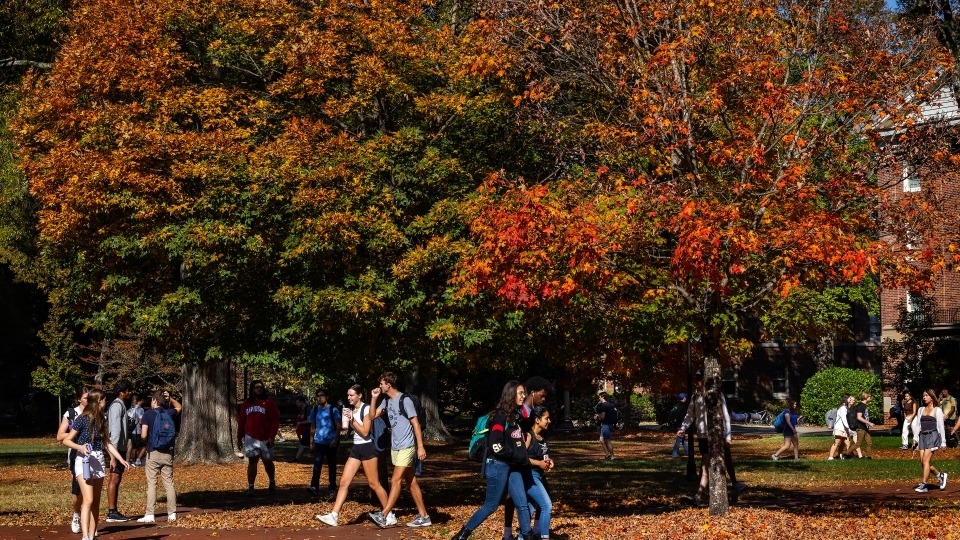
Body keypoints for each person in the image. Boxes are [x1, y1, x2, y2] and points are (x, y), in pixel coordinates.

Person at [450, 381, 535, 540]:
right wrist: (516, 455)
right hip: (498, 466)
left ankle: (528, 535)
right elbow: (496, 445)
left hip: (513, 467)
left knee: (522, 504)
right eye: (520, 393)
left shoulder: (515, 417)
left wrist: (521, 456)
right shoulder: (500, 416)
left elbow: (516, 442)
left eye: (524, 393)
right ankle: (462, 535)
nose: (524, 396)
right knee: (491, 505)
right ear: (511, 394)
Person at [316, 385, 389, 526]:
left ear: (359, 395)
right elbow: (352, 429)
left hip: (368, 447)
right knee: (344, 482)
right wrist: (348, 422)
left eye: (352, 395)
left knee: (374, 484)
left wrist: (352, 420)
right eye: (348, 395)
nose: (349, 397)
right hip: (356, 448)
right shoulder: (351, 410)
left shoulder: (366, 409)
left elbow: (366, 432)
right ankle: (334, 516)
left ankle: (389, 513)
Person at [62, 389, 130, 540]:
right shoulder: (82, 419)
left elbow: (107, 443)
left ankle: (92, 535)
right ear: (99, 401)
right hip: (83, 460)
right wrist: (80, 447)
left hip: (98, 460)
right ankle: (85, 536)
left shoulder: (102, 419)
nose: (106, 403)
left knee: (96, 502)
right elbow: (66, 440)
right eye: (104, 400)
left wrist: (120, 459)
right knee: (88, 499)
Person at [367, 372, 431, 528]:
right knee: (411, 482)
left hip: (407, 446)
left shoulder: (405, 400)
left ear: (389, 384)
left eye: (382, 383)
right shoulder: (387, 402)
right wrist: (374, 398)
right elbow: (371, 416)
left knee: (395, 480)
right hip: (395, 447)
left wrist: (420, 447)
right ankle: (424, 517)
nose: (380, 386)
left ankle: (384, 515)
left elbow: (416, 424)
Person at [676, 371, 738, 506]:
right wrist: (683, 428)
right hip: (702, 435)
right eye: (696, 378)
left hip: (715, 435)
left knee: (706, 464)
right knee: (707, 464)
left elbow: (726, 417)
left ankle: (699, 495)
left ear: (705, 379)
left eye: (699, 378)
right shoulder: (695, 396)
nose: (696, 381)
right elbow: (690, 415)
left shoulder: (716, 395)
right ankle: (708, 492)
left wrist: (728, 437)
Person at [503, 376, 554, 540]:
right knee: (516, 500)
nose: (543, 399)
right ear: (534, 392)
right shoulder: (522, 411)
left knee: (535, 502)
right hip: (520, 465)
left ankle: (531, 532)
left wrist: (545, 459)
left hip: (532, 467)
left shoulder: (532, 413)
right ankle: (509, 533)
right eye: (542, 395)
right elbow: (520, 443)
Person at [136, 390, 180, 523]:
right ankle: (172, 513)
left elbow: (143, 435)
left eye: (151, 400)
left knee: (152, 483)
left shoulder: (148, 414)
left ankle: (150, 514)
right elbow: (179, 407)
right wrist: (170, 399)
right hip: (168, 452)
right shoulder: (169, 413)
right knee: (169, 483)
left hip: (153, 451)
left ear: (154, 400)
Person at [237, 379, 280, 496]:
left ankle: (271, 481)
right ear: (252, 389)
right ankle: (251, 487)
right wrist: (239, 437)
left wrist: (272, 437)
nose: (259, 389)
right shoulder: (246, 403)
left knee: (267, 461)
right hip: (251, 437)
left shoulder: (269, 402)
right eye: (256, 387)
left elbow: (275, 421)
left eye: (260, 387)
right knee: (252, 461)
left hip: (266, 437)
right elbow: (241, 421)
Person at [57, 386, 90, 534]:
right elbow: (59, 436)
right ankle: (76, 515)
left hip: (92, 456)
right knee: (78, 492)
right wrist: (76, 430)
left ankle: (88, 518)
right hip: (75, 456)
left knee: (90, 489)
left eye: (90, 398)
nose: (88, 400)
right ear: (79, 399)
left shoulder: (96, 413)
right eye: (85, 398)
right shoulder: (71, 413)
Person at [524, 406, 554, 540]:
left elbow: (545, 455)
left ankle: (521, 536)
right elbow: (521, 458)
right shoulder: (528, 435)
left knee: (531, 507)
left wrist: (549, 461)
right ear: (537, 420)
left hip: (540, 476)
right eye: (546, 418)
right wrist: (539, 463)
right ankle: (544, 537)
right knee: (547, 505)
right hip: (530, 476)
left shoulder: (542, 437)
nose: (549, 421)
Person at [106, 380, 134, 523]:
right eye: (128, 390)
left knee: (117, 479)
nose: (130, 393)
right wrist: (113, 456)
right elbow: (115, 431)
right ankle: (112, 512)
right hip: (115, 449)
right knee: (114, 478)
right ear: (121, 392)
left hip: (119, 448)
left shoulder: (120, 405)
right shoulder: (117, 406)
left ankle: (113, 510)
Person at [307, 389, 341, 498]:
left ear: (327, 397)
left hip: (330, 443)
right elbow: (313, 426)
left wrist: (335, 439)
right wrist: (311, 442)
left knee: (332, 466)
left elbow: (338, 426)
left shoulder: (333, 409)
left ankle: (332, 488)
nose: (319, 397)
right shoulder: (315, 410)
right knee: (317, 465)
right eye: (318, 396)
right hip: (319, 442)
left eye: (322, 395)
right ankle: (314, 487)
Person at [913, 389, 948, 493]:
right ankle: (940, 475)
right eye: (923, 396)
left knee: (926, 461)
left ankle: (924, 485)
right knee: (923, 463)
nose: (924, 397)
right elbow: (918, 425)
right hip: (922, 437)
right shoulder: (920, 410)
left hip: (932, 436)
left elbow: (941, 427)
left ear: (932, 397)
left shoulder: (937, 410)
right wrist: (915, 438)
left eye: (926, 395)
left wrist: (943, 442)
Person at [847, 392, 875, 459]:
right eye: (869, 396)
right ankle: (845, 453)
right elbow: (859, 417)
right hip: (861, 428)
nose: (870, 398)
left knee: (869, 443)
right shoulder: (860, 406)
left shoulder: (864, 405)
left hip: (865, 428)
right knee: (858, 444)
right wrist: (869, 423)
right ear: (866, 397)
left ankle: (869, 457)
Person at [594, 392, 617, 460]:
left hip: (606, 424)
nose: (599, 398)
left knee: (607, 440)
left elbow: (603, 416)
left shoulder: (604, 405)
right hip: (610, 424)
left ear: (603, 397)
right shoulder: (611, 405)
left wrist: (597, 416)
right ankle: (607, 454)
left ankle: (612, 456)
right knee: (601, 440)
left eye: (599, 397)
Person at [126, 395, 147, 466]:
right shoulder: (140, 409)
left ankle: (133, 461)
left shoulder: (130, 409)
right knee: (144, 445)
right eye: (143, 400)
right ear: (141, 400)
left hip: (131, 430)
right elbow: (141, 421)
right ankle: (137, 460)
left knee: (133, 447)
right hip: (138, 430)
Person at [828, 395, 851, 460]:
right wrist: (848, 428)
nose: (850, 399)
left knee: (847, 443)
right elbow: (844, 419)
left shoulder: (845, 407)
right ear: (846, 399)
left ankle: (842, 455)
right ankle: (830, 457)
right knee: (836, 442)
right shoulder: (843, 408)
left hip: (844, 429)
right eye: (849, 398)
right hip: (839, 428)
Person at [669, 393, 691, 458]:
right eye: (685, 397)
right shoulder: (684, 407)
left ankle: (688, 452)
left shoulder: (675, 406)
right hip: (681, 424)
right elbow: (685, 417)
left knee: (682, 438)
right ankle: (674, 453)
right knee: (679, 439)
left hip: (677, 424)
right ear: (684, 398)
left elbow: (671, 415)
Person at [290, 396, 310, 463]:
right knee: (309, 444)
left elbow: (309, 420)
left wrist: (300, 423)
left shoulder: (308, 409)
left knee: (302, 444)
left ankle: (296, 458)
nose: (297, 404)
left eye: (298, 402)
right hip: (303, 430)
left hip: (308, 429)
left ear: (302, 401)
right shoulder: (300, 409)